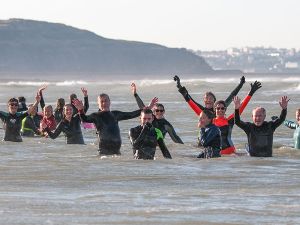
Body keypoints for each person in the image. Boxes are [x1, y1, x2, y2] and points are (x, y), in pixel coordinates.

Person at [72, 93, 141, 155]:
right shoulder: (96, 116)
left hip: (116, 150)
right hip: (104, 150)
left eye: (106, 101)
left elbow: (131, 114)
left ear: (109, 102)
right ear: (98, 104)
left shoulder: (115, 114)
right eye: (101, 102)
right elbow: (85, 119)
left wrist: (144, 109)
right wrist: (80, 110)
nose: (104, 103)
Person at [213, 81, 261, 155]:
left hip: (230, 153)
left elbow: (240, 109)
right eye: (218, 108)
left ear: (225, 110)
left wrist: (250, 93)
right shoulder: (210, 121)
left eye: (222, 108)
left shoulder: (229, 121)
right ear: (215, 109)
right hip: (216, 153)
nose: (220, 110)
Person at [173, 75, 245, 115]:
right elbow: (189, 99)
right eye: (206, 98)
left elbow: (231, 96)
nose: (208, 100)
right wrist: (179, 86)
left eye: (210, 98)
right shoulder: (202, 110)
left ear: (214, 101)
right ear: (204, 101)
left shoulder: (220, 108)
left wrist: (241, 84)